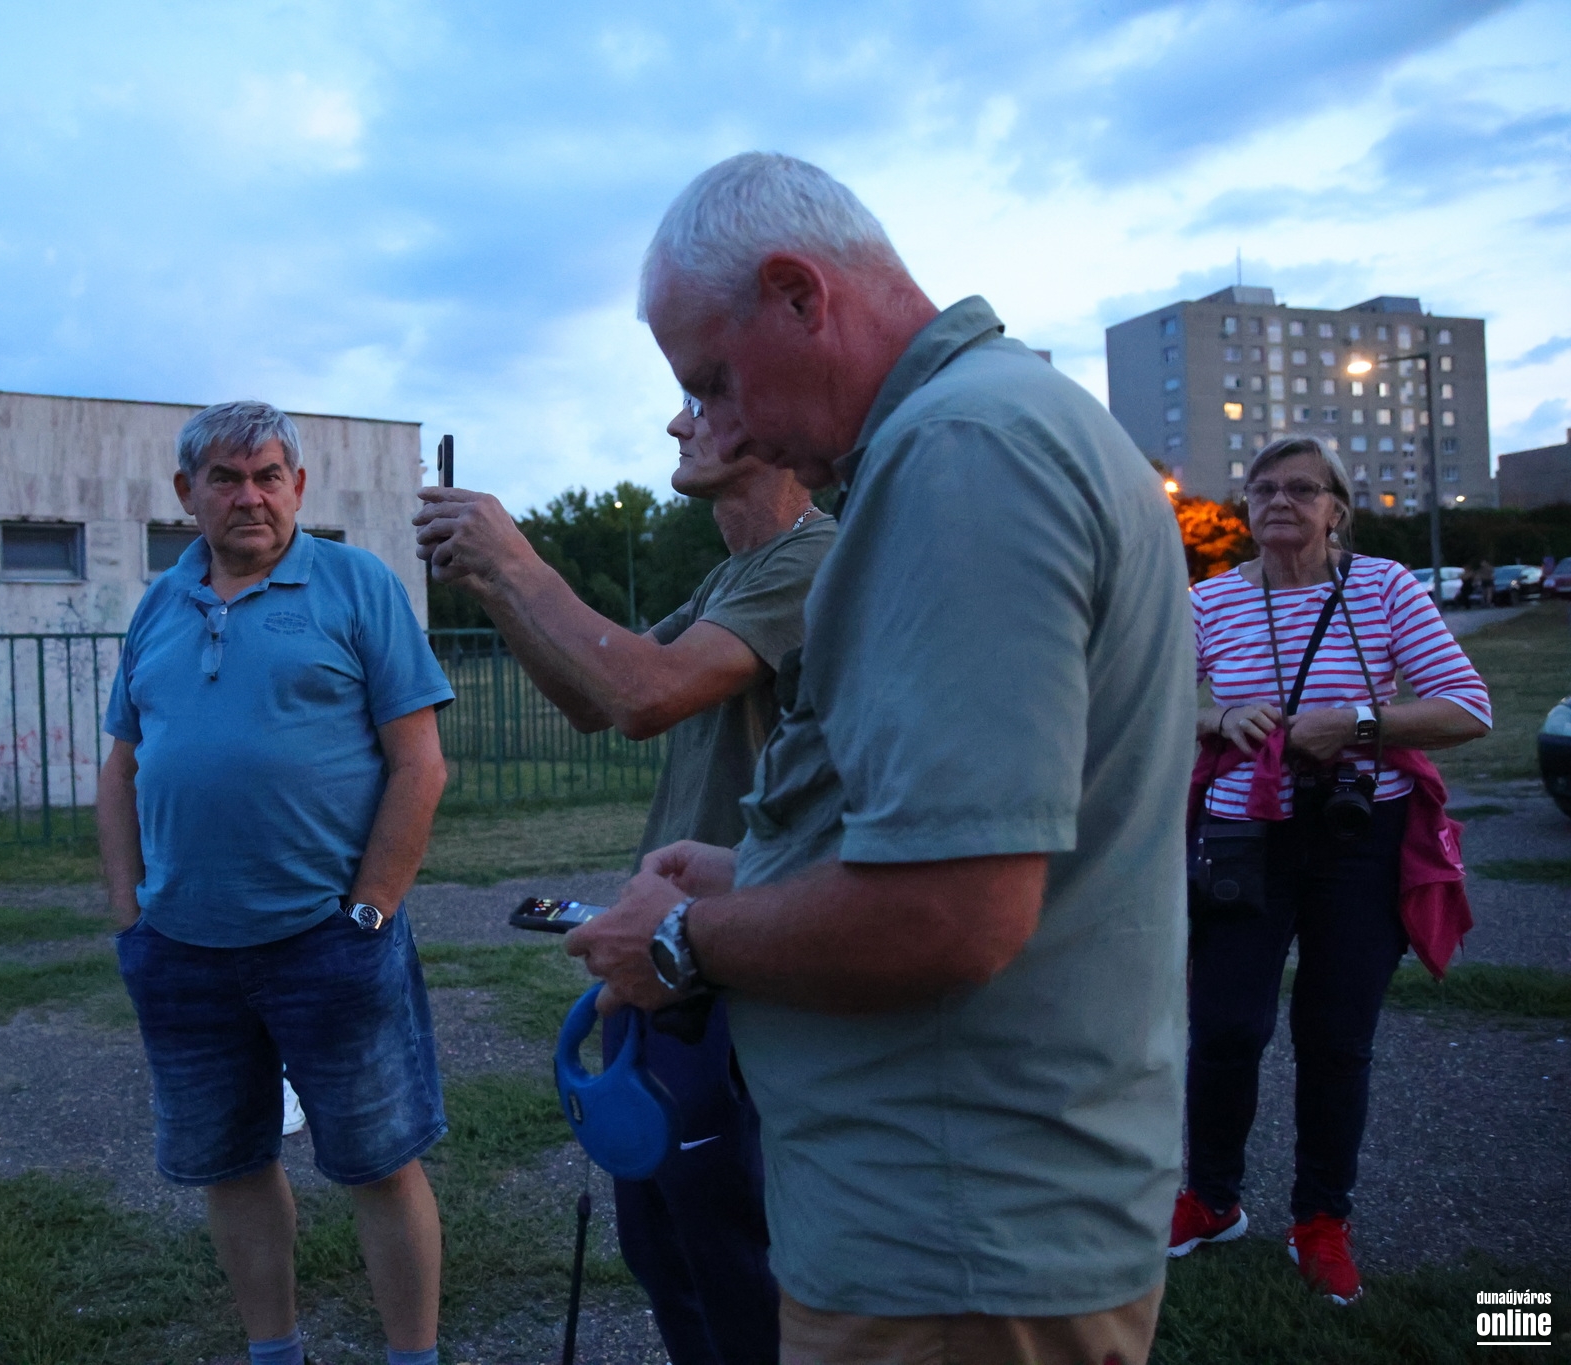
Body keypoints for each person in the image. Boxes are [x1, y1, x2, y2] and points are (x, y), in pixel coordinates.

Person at [562, 152, 1192, 1364]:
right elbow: (968, 836)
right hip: (959, 1226)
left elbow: (950, 915)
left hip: (950, 1246)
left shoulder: (958, 455)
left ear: (799, 294)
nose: (721, 428)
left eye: (713, 381)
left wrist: (681, 939)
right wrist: (752, 875)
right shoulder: (985, 430)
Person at [414, 401, 835, 1365]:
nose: (675, 425)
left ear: (769, 423)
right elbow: (591, 697)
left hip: (747, 961)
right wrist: (490, 581)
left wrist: (519, 558)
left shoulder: (813, 560)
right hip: (676, 958)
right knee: (667, 1246)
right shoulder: (735, 574)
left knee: (736, 1257)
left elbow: (647, 693)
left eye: (704, 401)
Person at [97, 400, 454, 1365]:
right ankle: (275, 1352)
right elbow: (121, 770)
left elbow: (419, 764)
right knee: (232, 1165)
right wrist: (131, 917)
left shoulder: (356, 585)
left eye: (267, 476)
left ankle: (413, 1358)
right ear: (188, 493)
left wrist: (370, 912)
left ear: (298, 486)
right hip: (183, 952)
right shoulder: (158, 606)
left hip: (327, 942)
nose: (248, 496)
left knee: (380, 1164)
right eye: (225, 478)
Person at [1182, 435, 1489, 1304]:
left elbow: (1468, 707)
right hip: (1244, 835)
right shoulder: (1207, 599)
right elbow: (1149, 695)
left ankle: (1321, 1219)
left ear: (1337, 509)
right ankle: (1211, 1198)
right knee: (1225, 1026)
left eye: (1302, 488)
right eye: (1263, 489)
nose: (1279, 501)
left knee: (1336, 1034)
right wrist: (1215, 715)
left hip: (1360, 836)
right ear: (1247, 506)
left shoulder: (1384, 586)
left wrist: (1354, 723)